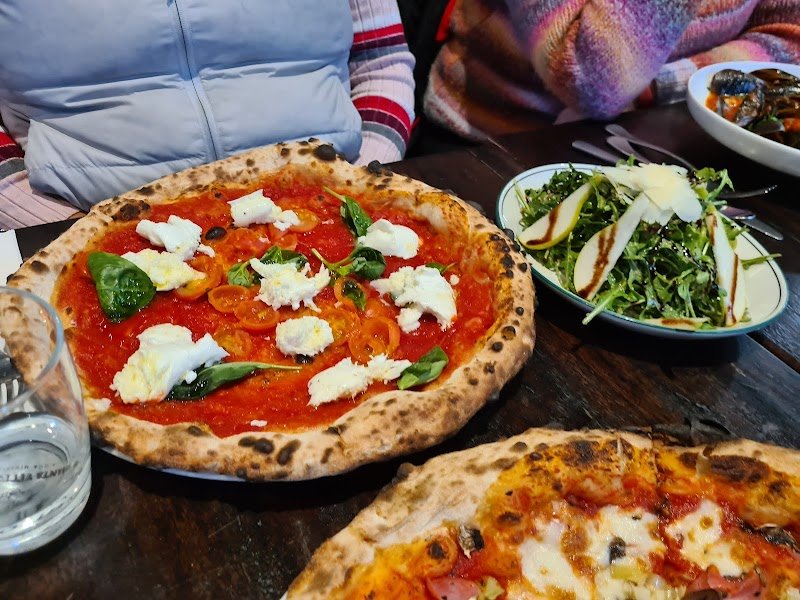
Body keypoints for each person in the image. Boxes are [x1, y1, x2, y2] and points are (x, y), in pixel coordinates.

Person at [0, 0, 415, 211]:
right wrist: (58, 228)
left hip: (334, 199)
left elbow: (380, 63)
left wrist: (363, 185)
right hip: (82, 219)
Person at [423, 0, 800, 142]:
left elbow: (787, 39)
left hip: (673, 148)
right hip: (494, 144)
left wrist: (668, 84)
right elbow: (589, 78)